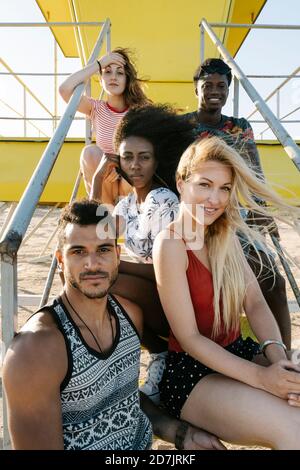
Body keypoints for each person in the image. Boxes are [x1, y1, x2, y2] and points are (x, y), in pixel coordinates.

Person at [2, 199, 225, 451]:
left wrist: (180, 433)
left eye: (104, 249)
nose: (92, 263)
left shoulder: (129, 316)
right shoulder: (36, 350)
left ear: (117, 256)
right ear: (60, 260)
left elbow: (123, 401)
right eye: (78, 251)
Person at [153, 137, 300, 449]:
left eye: (224, 188)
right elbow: (190, 338)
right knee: (294, 427)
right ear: (182, 183)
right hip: (191, 376)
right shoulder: (170, 244)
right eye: (204, 184)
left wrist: (279, 363)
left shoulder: (223, 234)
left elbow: (256, 303)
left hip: (239, 353)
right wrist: (263, 379)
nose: (215, 199)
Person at [184, 58, 291, 348]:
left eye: (221, 86)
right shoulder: (182, 127)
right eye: (207, 86)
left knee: (274, 282)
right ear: (196, 89)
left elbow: (254, 173)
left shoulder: (239, 128)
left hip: (233, 216)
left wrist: (262, 212)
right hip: (196, 217)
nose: (214, 91)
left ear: (229, 90)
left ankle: (287, 357)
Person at [110, 104, 195, 403]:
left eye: (144, 157)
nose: (134, 165)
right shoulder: (126, 205)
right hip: (155, 294)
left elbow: (167, 272)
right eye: (128, 157)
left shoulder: (161, 199)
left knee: (105, 278)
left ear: (157, 160)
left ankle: (161, 355)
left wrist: (115, 266)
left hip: (179, 298)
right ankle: (158, 357)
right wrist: (97, 181)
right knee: (98, 277)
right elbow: (97, 238)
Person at [59, 48, 150, 205]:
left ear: (127, 79)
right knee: (90, 152)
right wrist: (100, 63)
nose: (113, 77)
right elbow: (64, 90)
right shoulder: (96, 107)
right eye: (107, 72)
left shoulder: (140, 111)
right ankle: (104, 213)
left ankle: (125, 215)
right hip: (106, 180)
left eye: (120, 73)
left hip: (130, 181)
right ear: (100, 80)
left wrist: (121, 167)